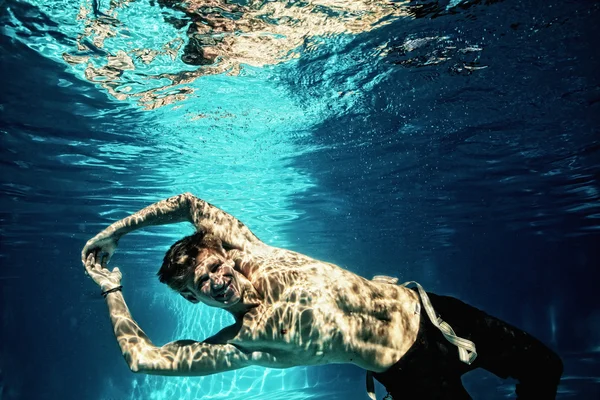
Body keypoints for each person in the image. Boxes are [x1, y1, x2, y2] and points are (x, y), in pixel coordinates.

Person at [81, 193, 563, 399]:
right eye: (198, 285)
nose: (212, 280)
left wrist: (117, 231)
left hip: (433, 313)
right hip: (412, 375)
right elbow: (142, 359)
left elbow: (188, 204)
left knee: (545, 367)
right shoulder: (245, 342)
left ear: (223, 256)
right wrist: (112, 288)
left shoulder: (255, 250)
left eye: (210, 267)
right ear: (193, 300)